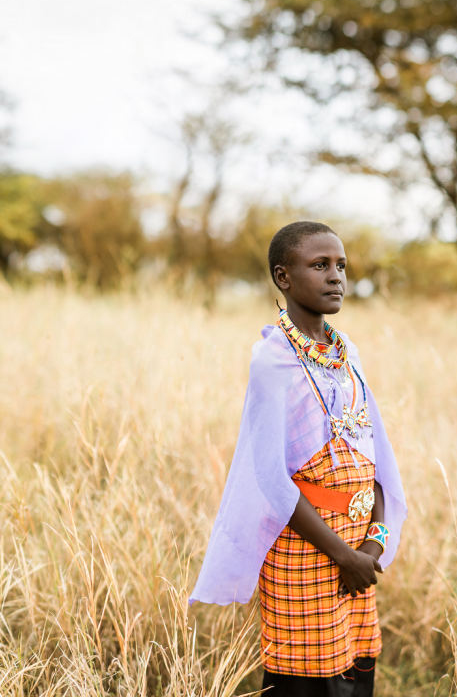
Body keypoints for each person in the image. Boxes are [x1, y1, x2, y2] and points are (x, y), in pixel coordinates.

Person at [190, 221, 408, 696]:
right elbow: (271, 478)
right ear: (283, 277)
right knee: (307, 682)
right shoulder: (272, 360)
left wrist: (373, 542)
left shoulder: (346, 352)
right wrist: (342, 554)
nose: (336, 277)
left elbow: (372, 453)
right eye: (320, 265)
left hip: (356, 549)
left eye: (341, 266)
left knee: (355, 672)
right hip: (307, 548)